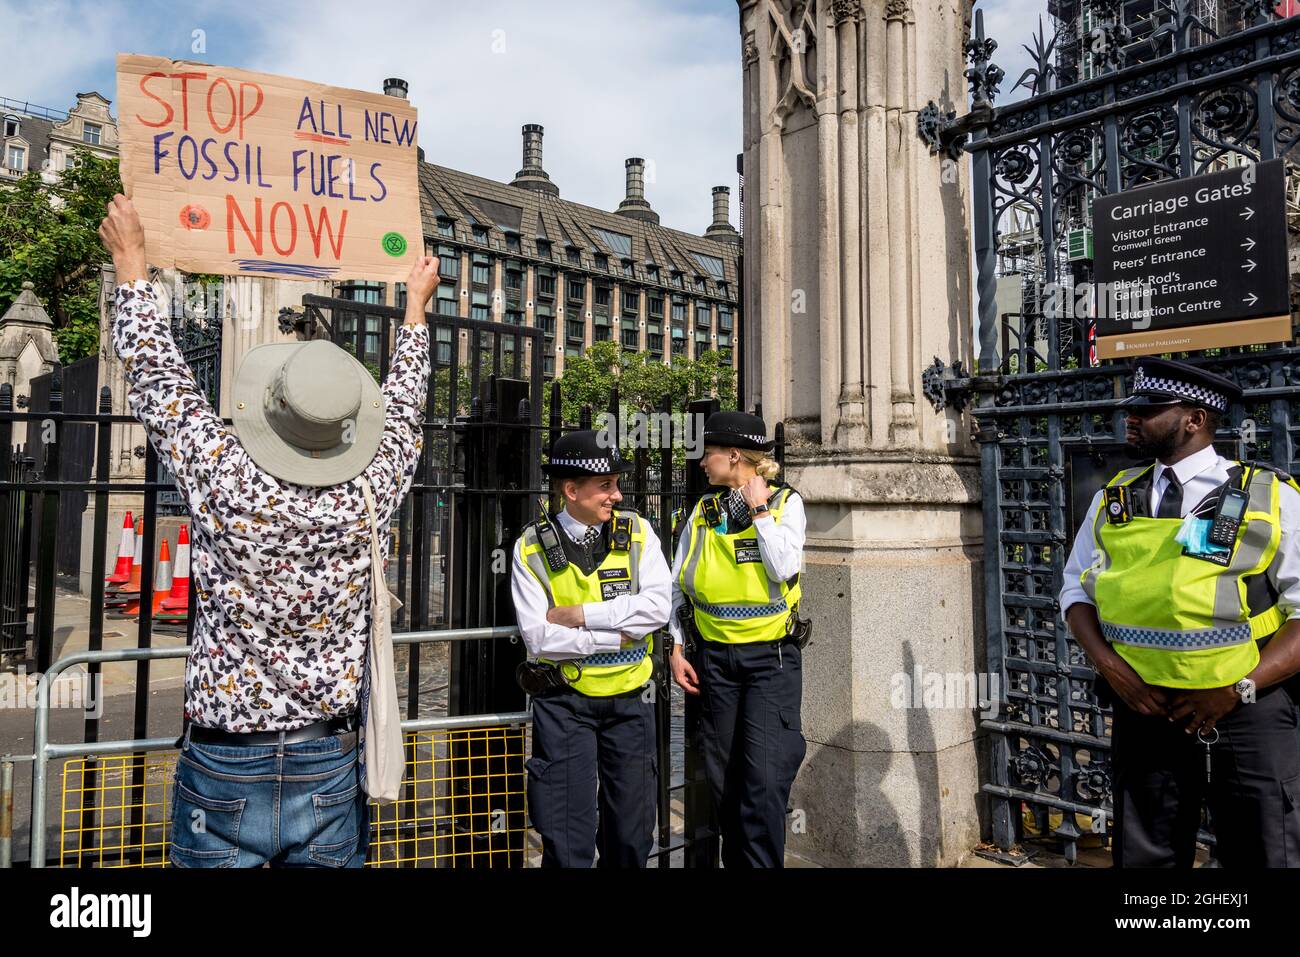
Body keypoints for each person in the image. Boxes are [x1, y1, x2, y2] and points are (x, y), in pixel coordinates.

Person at [98, 194, 437, 867]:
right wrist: (416, 309)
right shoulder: (373, 489)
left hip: (225, 756)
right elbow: (405, 408)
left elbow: (161, 382)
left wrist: (132, 265)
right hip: (328, 760)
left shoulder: (227, 478)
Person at [1061, 357, 1300, 867]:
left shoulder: (1266, 495)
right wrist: (1114, 672)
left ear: (1194, 419)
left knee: (1264, 847)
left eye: (1148, 408)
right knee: (1146, 853)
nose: (1131, 416)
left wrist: (1236, 690)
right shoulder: (1115, 497)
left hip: (1245, 711)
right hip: (1145, 710)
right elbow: (1075, 594)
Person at [511, 430, 671, 867]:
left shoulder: (638, 531)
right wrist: (617, 633)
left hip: (632, 704)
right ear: (571, 490)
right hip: (564, 705)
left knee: (632, 838)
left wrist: (580, 614)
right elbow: (540, 637)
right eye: (606, 486)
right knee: (566, 841)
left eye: (617, 484)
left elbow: (657, 609)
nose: (617, 495)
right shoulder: (530, 547)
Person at [668, 411, 807, 867]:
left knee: (764, 782)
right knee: (724, 780)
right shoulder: (703, 512)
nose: (701, 463)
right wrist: (676, 646)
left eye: (708, 454)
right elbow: (677, 584)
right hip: (715, 664)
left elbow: (783, 567)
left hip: (771, 663)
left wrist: (761, 511)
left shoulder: (787, 504)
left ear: (733, 456)